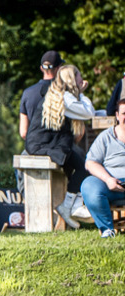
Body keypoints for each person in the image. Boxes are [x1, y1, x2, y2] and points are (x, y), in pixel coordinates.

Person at [26, 63, 94, 226]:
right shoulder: (66, 99)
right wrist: (82, 94)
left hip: (44, 143)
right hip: (44, 145)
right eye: (78, 75)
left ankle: (72, 204)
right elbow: (89, 113)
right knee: (86, 165)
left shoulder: (59, 95)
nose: (81, 79)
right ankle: (70, 204)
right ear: (72, 79)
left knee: (81, 161)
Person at [79, 95, 125, 238]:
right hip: (112, 184)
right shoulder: (106, 137)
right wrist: (108, 179)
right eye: (124, 114)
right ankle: (107, 230)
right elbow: (90, 162)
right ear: (117, 115)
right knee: (88, 186)